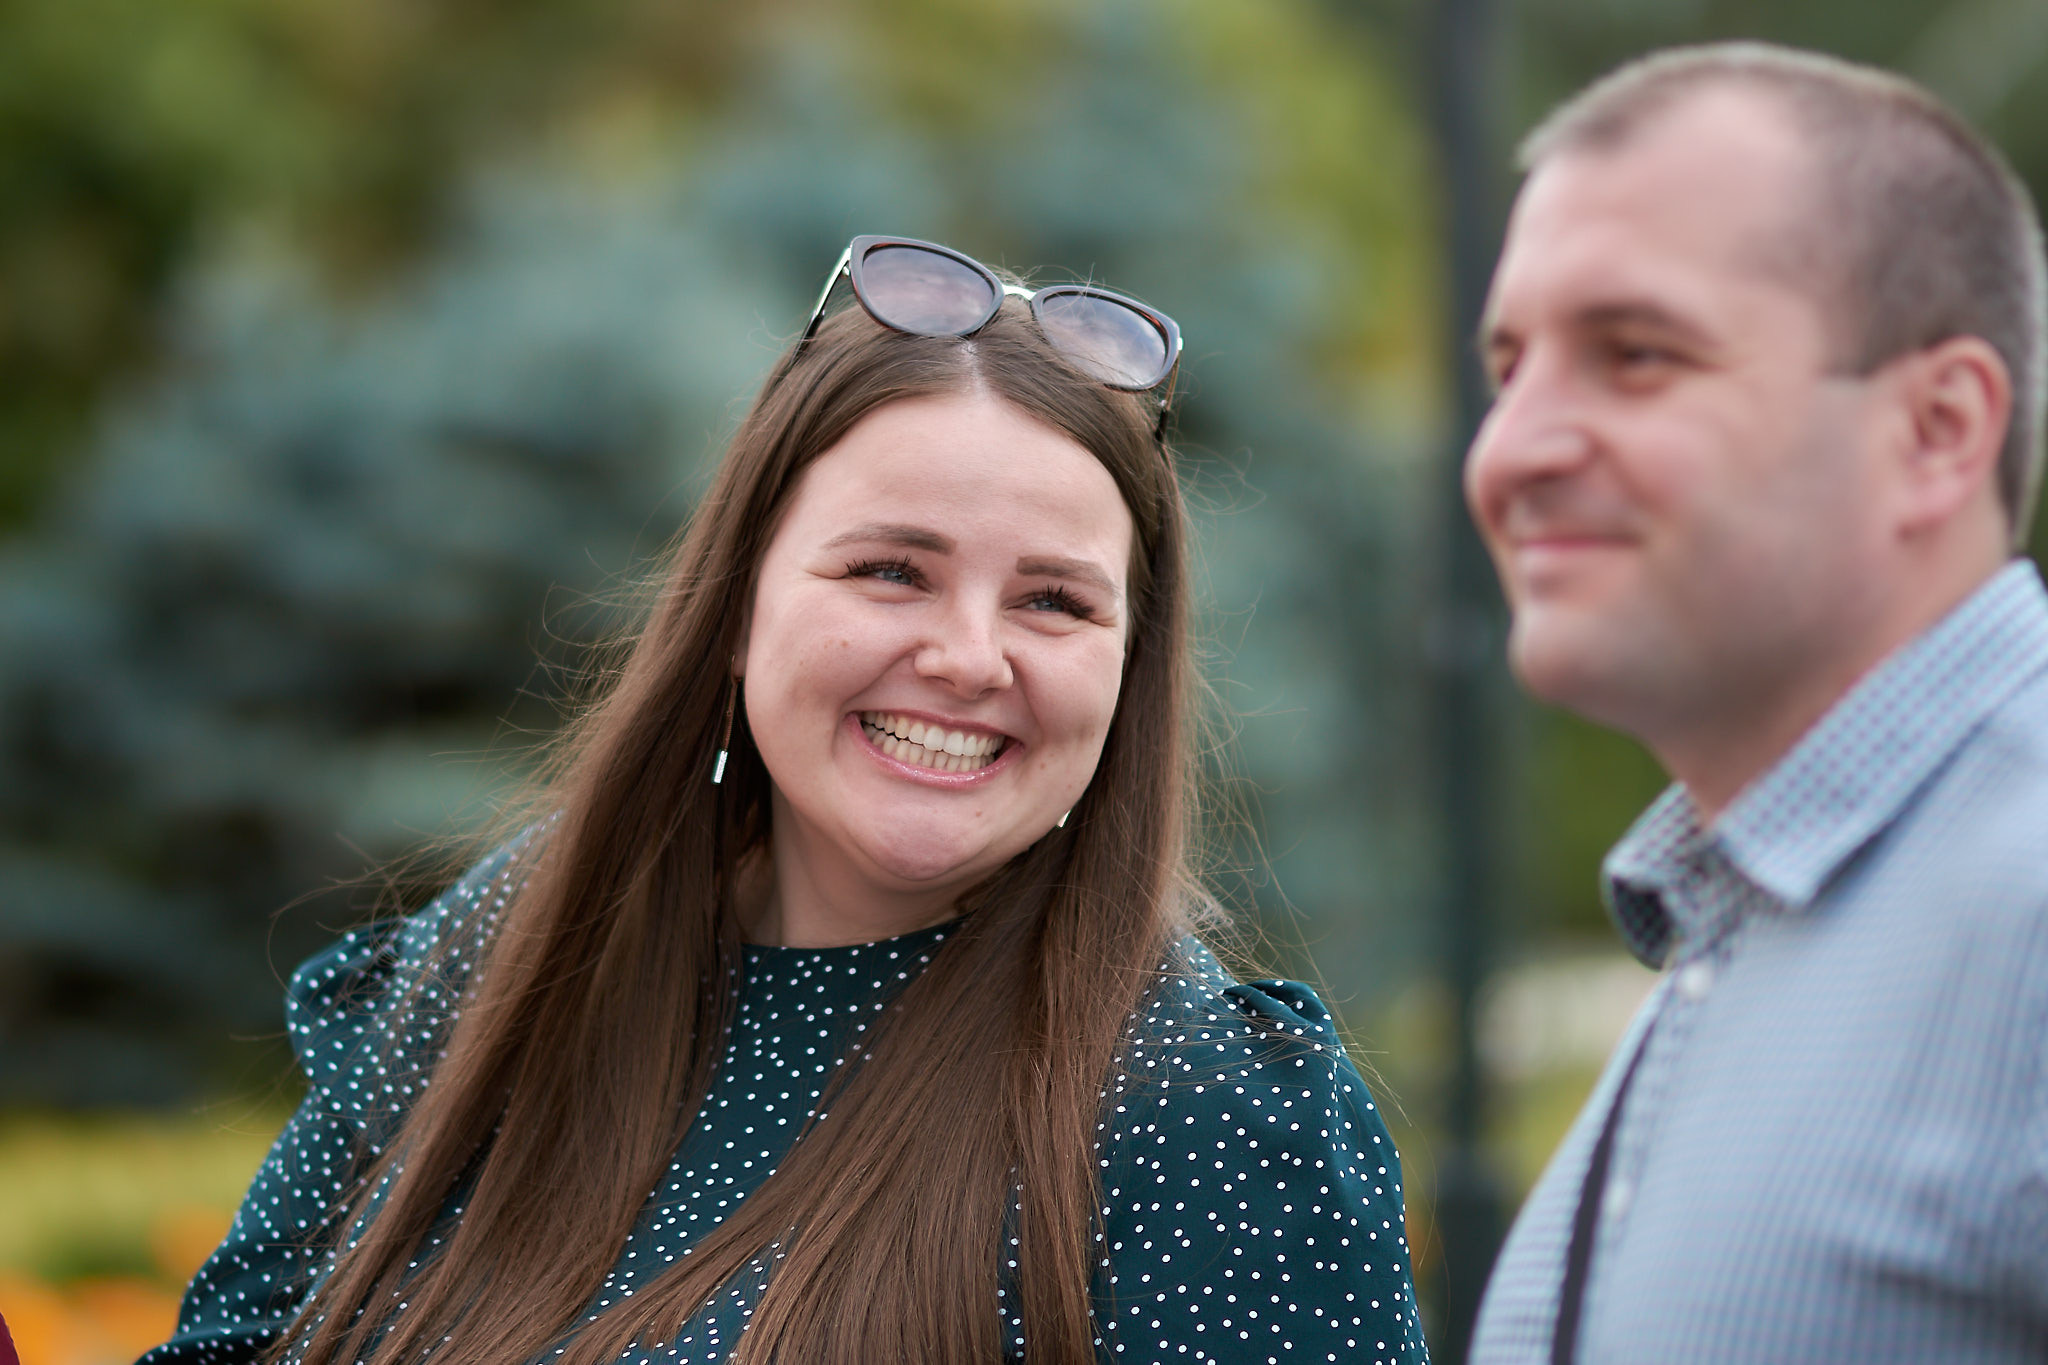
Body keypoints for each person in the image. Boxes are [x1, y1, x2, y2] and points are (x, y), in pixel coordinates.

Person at [141, 235, 1430, 1365]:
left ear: (1127, 667)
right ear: (741, 611)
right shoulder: (525, 945)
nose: (970, 657)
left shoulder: (1211, 1117)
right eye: (890, 571)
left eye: (1054, 600)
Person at [1462, 41, 2048, 1364]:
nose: (1515, 449)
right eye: (1511, 368)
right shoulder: (1744, 919)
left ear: (1939, 430)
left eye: (1637, 354)